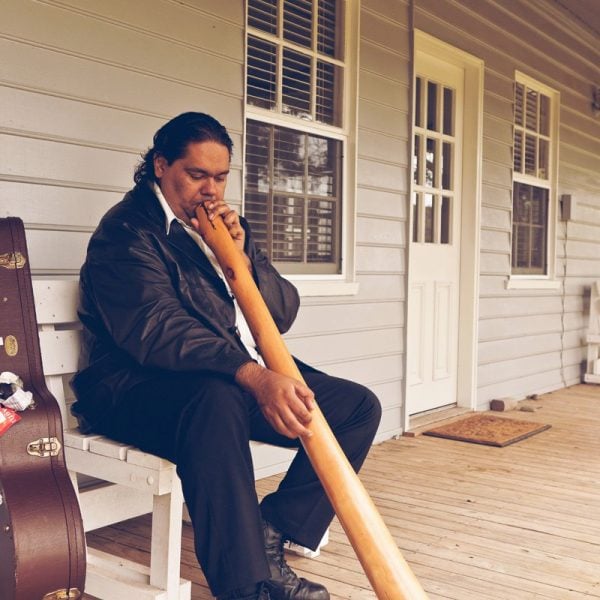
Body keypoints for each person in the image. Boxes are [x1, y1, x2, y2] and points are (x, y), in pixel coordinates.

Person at [71, 112, 382, 600]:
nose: (210, 190)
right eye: (197, 175)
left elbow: (280, 313)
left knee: (355, 408)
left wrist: (243, 256)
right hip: (131, 390)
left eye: (220, 177)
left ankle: (270, 532)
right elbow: (158, 331)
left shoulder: (216, 228)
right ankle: (247, 586)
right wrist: (255, 377)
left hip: (221, 380)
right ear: (160, 165)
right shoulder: (127, 233)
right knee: (217, 402)